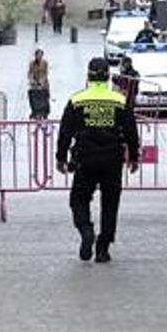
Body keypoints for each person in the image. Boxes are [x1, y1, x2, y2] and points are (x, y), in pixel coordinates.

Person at [56, 58, 141, 263]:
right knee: (110, 203)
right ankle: (103, 248)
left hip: (85, 159)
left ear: (88, 76)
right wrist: (134, 156)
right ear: (109, 77)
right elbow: (131, 131)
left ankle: (86, 230)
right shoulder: (119, 100)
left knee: (78, 199)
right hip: (112, 159)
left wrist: (61, 158)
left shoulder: (77, 100)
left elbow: (65, 132)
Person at [27, 49, 51, 119]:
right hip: (34, 84)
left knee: (44, 98)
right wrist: (32, 80)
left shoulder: (45, 63)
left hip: (43, 83)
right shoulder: (32, 63)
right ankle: (35, 112)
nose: (39, 56)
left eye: (40, 55)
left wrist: (41, 81)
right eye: (38, 55)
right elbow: (30, 72)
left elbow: (46, 73)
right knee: (34, 98)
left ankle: (44, 112)